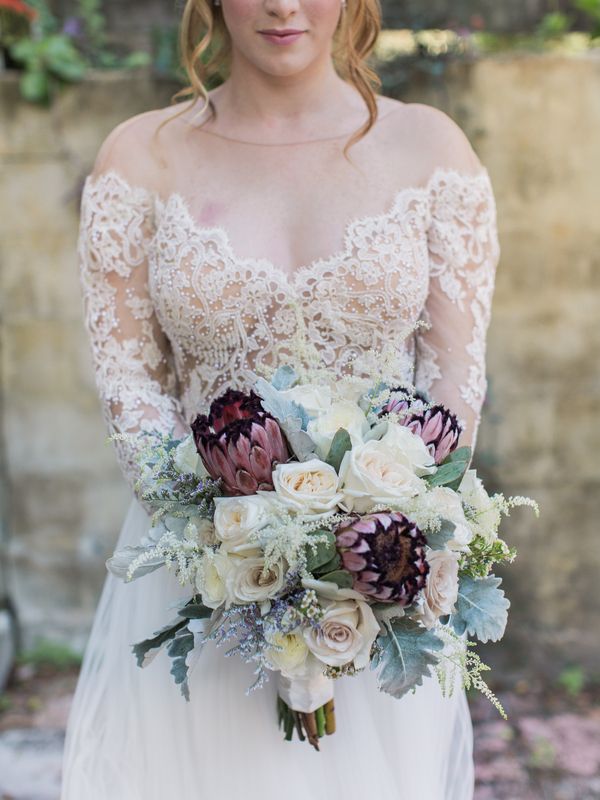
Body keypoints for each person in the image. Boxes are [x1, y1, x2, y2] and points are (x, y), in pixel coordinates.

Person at [60, 0, 501, 797]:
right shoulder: (139, 158)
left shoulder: (430, 150)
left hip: (384, 581)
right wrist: (231, 552)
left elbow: (454, 384)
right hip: (208, 579)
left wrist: (370, 544)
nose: (283, 5)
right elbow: (132, 390)